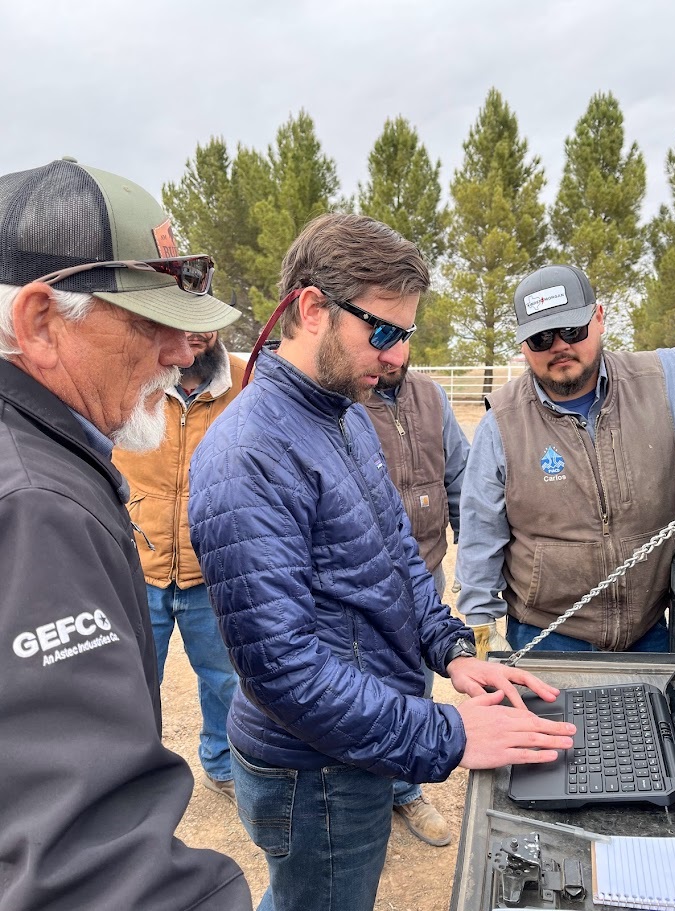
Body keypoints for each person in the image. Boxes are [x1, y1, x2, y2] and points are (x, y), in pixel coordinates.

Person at [189, 214, 574, 911]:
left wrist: (453, 651)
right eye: (384, 332)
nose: (397, 356)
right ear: (311, 308)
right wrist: (445, 732)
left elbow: (397, 560)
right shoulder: (247, 452)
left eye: (407, 335)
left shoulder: (344, 415)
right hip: (315, 769)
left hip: (362, 741)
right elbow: (283, 667)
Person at [0, 157, 251, 911]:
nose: (181, 352)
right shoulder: (36, 504)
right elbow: (87, 870)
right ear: (41, 322)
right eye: (152, 322)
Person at [457, 263, 675, 657]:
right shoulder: (501, 423)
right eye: (541, 337)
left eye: (572, 330)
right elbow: (480, 531)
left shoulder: (666, 380)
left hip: (650, 631)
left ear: (598, 317)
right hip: (546, 636)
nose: (559, 346)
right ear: (523, 344)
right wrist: (481, 626)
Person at [114, 330, 246, 803]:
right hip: (138, 561)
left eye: (203, 321)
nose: (193, 335)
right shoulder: (133, 375)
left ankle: (221, 763)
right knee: (133, 679)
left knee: (223, 677)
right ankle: (130, 776)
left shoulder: (247, 380)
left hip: (211, 565)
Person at [364, 341, 470, 846]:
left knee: (416, 684)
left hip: (425, 574)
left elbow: (460, 479)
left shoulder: (433, 396)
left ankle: (406, 790)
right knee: (359, 688)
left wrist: (475, 553)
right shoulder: (344, 401)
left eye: (401, 340)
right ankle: (360, 800)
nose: (392, 355)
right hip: (362, 584)